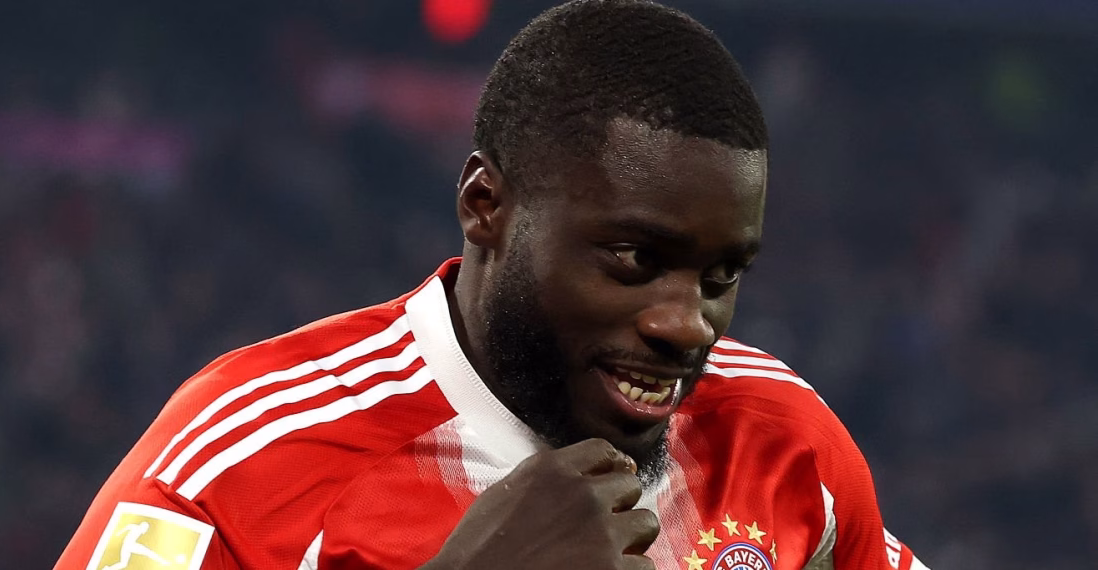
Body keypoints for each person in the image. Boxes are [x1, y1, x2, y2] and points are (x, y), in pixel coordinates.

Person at [57, 1, 929, 569]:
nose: (686, 323)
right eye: (633, 258)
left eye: (721, 274)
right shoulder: (241, 461)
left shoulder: (783, 445)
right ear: (487, 207)